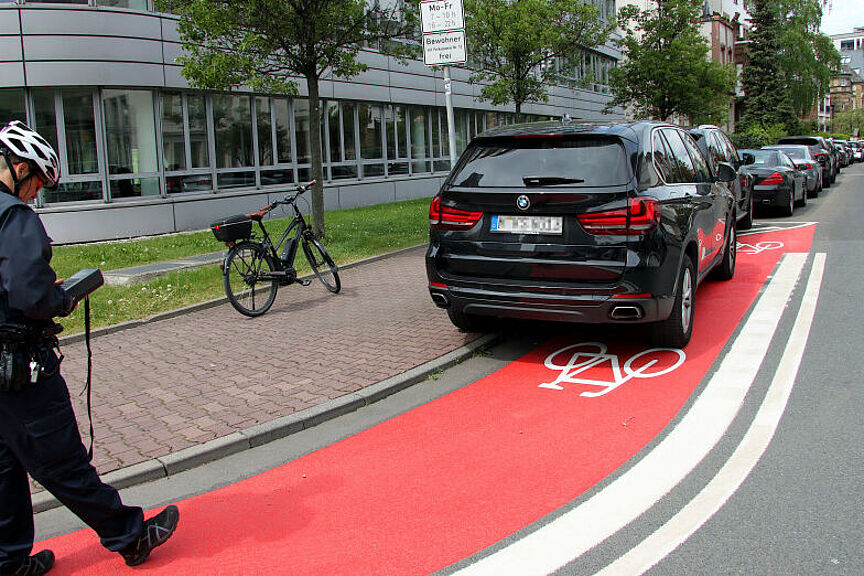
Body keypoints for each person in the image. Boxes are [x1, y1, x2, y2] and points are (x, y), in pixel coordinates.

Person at [0, 121, 179, 576]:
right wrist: (59, 297)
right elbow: (33, 297)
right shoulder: (13, 216)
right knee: (60, 460)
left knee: (3, 468)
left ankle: (8, 560)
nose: (36, 193)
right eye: (37, 181)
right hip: (21, 369)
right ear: (18, 167)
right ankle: (130, 536)